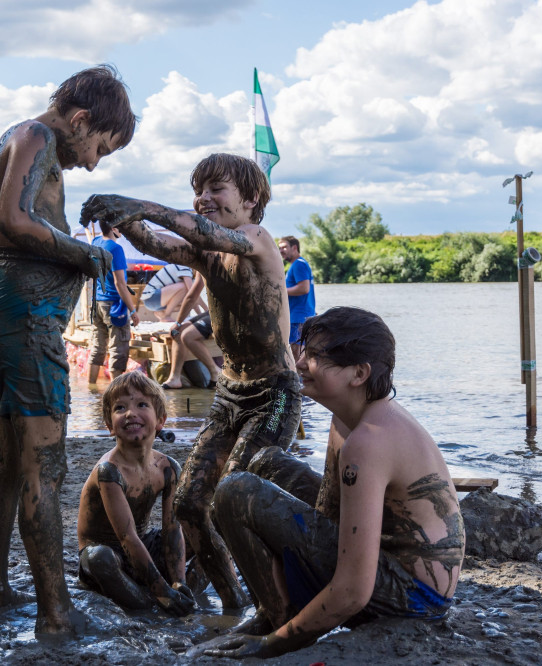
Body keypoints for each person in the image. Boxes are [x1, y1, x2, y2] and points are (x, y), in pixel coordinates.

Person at [79, 153, 301, 609]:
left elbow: (199, 230)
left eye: (216, 188)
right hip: (230, 394)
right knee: (191, 504)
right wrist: (115, 217)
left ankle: (268, 603)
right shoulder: (208, 251)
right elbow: (158, 243)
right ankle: (230, 604)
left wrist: (138, 203)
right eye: (199, 189)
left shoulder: (255, 238)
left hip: (274, 393)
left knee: (233, 498)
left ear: (252, 198)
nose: (204, 197)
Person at [0, 64, 137, 636]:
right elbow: (11, 219)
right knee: (46, 465)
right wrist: (84, 253)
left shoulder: (12, 141)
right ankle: (56, 615)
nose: (92, 163)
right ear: (80, 119)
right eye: (98, 148)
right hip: (25, 316)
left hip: (4, 308)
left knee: (13, 460)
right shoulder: (37, 136)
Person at [202, 307, 465, 658]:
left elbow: (354, 591)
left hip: (414, 597)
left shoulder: (370, 441)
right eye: (303, 351)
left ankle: (280, 624)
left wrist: (275, 644)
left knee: (236, 491)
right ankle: (274, 609)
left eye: (314, 357)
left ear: (359, 373)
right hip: (388, 561)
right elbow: (328, 512)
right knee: (265, 463)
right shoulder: (347, 419)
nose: (298, 363)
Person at [76, 372, 195, 616]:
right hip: (109, 556)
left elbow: (172, 529)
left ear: (160, 420)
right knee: (99, 558)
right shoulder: (109, 471)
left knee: (200, 533)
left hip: (143, 547)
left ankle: (185, 593)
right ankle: (147, 604)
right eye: (120, 408)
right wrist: (161, 591)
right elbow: (126, 537)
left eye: (142, 404)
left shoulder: (168, 467)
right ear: (109, 426)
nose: (130, 413)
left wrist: (177, 582)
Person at [88, 225, 140, 383]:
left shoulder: (96, 242)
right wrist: (133, 310)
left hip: (98, 302)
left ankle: (92, 389)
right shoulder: (116, 249)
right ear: (113, 228)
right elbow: (120, 284)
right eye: (121, 226)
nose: (123, 229)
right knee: (118, 351)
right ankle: (117, 394)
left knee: (98, 347)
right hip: (114, 305)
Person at [161, 273, 221, 390]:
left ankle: (215, 372)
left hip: (229, 311)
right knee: (178, 331)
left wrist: (178, 322)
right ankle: (175, 378)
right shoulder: (200, 264)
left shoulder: (209, 258)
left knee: (188, 336)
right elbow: (194, 297)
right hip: (214, 310)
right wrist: (179, 324)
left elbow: (192, 296)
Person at [278, 236, 316, 359]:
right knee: (298, 353)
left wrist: (280, 290)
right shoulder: (296, 265)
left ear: (294, 248)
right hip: (298, 316)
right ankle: (302, 378)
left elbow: (304, 288)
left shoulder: (299, 264)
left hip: (299, 317)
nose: (281, 251)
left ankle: (304, 378)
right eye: (279, 248)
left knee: (299, 354)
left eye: (284, 247)